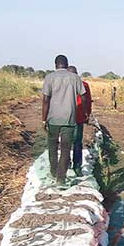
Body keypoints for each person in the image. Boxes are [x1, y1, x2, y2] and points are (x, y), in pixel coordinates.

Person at [41, 54, 86, 186]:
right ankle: (61, 179)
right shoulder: (75, 78)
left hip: (53, 118)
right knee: (66, 148)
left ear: (55, 64)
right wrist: (83, 111)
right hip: (69, 118)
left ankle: (54, 171)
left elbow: (45, 100)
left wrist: (44, 119)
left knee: (52, 146)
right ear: (67, 64)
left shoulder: (49, 78)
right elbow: (83, 96)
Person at [67, 65, 92, 177]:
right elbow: (87, 101)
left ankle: (66, 165)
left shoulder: (63, 85)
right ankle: (77, 167)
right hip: (79, 117)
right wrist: (87, 115)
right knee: (77, 142)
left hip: (66, 118)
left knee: (66, 142)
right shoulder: (84, 85)